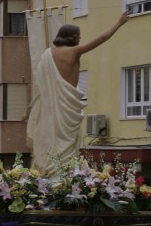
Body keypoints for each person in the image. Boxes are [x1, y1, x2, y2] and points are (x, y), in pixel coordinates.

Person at [27, 11, 130, 177]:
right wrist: (119, 22)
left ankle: (53, 172)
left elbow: (42, 85)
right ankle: (62, 175)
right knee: (67, 144)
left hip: (53, 108)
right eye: (78, 36)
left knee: (54, 141)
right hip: (67, 108)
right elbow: (102, 38)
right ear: (72, 37)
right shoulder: (74, 51)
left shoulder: (46, 55)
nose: (80, 39)